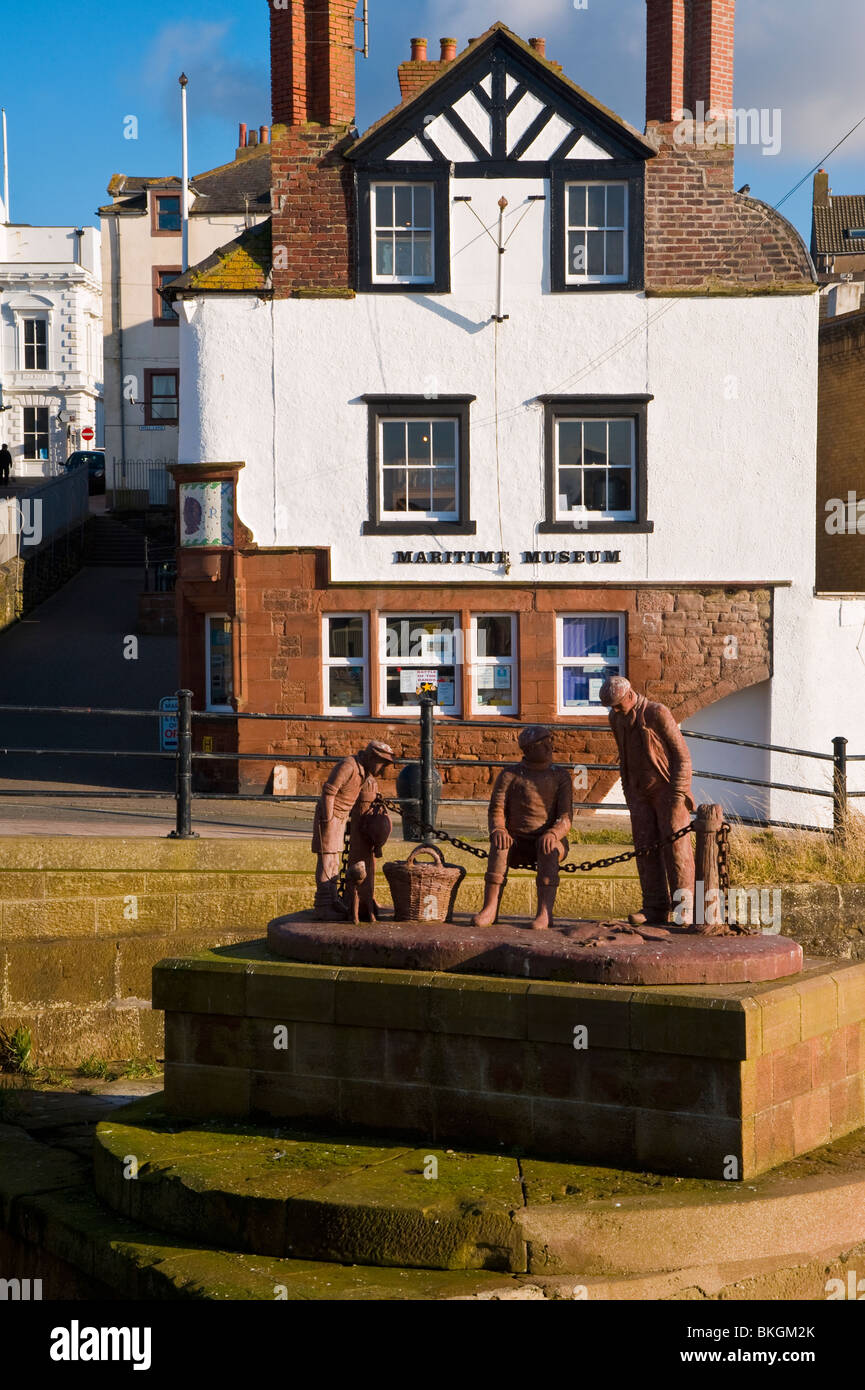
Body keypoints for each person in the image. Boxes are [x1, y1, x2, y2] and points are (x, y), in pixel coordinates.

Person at [600, 676, 695, 926]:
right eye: (612, 708)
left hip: (666, 789)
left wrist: (678, 795)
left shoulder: (657, 713)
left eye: (618, 705)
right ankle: (654, 907)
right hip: (638, 793)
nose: (616, 711)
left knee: (676, 847)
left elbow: (682, 757)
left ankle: (684, 907)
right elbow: (624, 757)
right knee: (644, 850)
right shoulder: (616, 718)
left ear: (630, 695)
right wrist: (628, 793)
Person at [473, 725, 573, 932]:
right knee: (499, 848)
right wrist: (499, 830)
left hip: (547, 838)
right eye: (541, 743)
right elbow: (496, 809)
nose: (548, 746)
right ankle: (490, 907)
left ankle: (545, 912)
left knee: (549, 848)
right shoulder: (510, 775)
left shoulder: (560, 776)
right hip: (516, 840)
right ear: (527, 750)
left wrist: (554, 833)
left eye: (549, 741)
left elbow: (565, 817)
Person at [311, 740, 394, 920]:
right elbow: (329, 792)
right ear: (372, 757)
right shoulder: (348, 766)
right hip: (331, 816)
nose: (382, 770)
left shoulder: (363, 771)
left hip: (340, 818)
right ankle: (322, 905)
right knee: (327, 860)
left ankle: (333, 900)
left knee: (334, 861)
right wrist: (327, 819)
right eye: (382, 764)